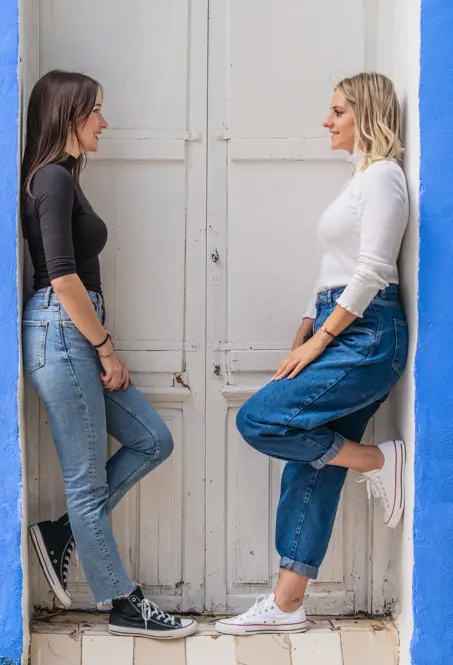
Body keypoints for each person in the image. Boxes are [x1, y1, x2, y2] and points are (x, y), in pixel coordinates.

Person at [216, 72, 409, 636]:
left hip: (366, 336)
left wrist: (323, 339)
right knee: (313, 459)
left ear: (366, 114)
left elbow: (373, 270)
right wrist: (305, 331)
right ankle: (287, 602)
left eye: (338, 111)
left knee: (260, 418)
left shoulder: (386, 179)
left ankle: (380, 462)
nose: (327, 121)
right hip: (339, 324)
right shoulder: (359, 180)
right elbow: (334, 269)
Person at [22, 70, 197, 640]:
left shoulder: (63, 179)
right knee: (86, 481)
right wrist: (104, 347)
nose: (104, 120)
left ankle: (60, 534)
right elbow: (62, 276)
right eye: (96, 109)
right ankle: (121, 601)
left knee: (153, 439)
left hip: (72, 331)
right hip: (64, 330)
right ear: (69, 115)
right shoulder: (50, 178)